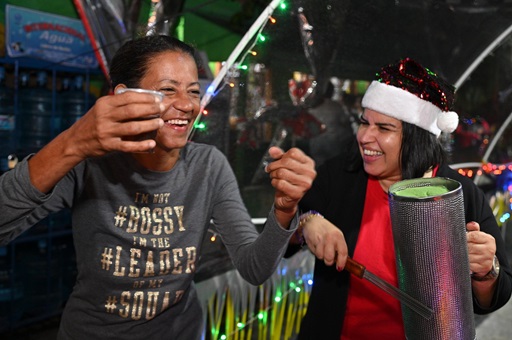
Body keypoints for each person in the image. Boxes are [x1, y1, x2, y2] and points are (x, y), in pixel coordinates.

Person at [0, 35, 316, 339]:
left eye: (193, 91)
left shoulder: (207, 165)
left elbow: (254, 267)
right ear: (123, 97)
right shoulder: (90, 163)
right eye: (167, 89)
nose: (187, 104)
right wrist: (72, 145)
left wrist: (285, 209)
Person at [289, 57, 512, 339]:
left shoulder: (460, 195)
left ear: (417, 137)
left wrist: (485, 272)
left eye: (383, 128)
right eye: (364, 122)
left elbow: (496, 296)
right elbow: (285, 232)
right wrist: (308, 222)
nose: (365, 137)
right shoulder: (340, 175)